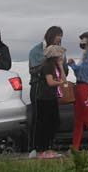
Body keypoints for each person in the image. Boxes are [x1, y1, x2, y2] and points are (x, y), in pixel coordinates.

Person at [27, 26, 63, 157]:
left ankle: (49, 148)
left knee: (54, 120)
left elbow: (63, 70)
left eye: (60, 39)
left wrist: (61, 63)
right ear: (50, 36)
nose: (58, 42)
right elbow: (34, 70)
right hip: (39, 89)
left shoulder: (58, 50)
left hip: (52, 90)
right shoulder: (36, 50)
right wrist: (48, 59)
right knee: (39, 120)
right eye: (57, 38)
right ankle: (35, 149)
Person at [31, 45, 67, 159]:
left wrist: (61, 66)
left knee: (54, 122)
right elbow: (50, 82)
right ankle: (43, 149)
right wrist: (60, 83)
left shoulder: (55, 65)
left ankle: (48, 147)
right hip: (44, 98)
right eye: (59, 54)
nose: (61, 56)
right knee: (46, 124)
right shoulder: (47, 66)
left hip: (52, 97)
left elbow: (64, 79)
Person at [68, 32, 88, 153]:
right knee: (78, 118)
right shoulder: (85, 54)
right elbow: (79, 72)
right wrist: (72, 65)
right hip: (80, 87)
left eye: (84, 39)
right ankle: (75, 147)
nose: (81, 41)